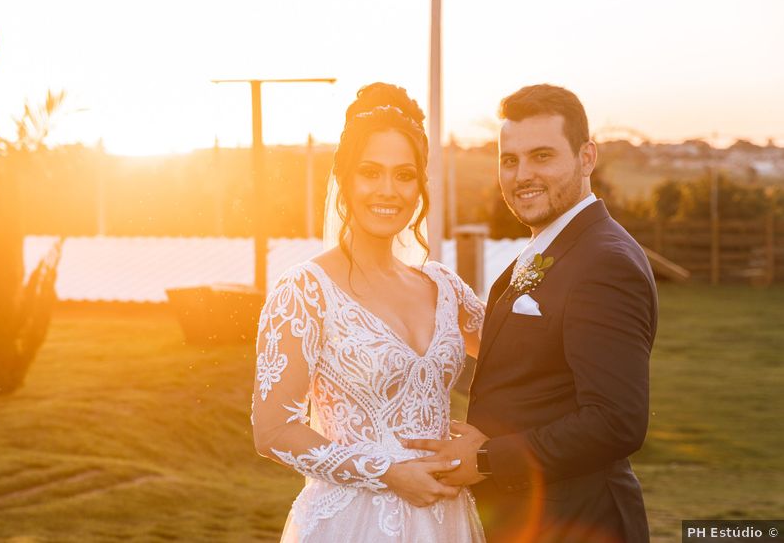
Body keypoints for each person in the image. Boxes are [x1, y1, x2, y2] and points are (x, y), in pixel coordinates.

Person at [406, 84, 658, 542]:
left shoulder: (605, 262)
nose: (522, 175)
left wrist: (485, 460)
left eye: (542, 156)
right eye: (510, 160)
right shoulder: (551, 246)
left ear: (586, 158)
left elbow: (616, 421)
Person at [251, 83, 487, 542]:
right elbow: (273, 430)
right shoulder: (305, 291)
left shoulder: (445, 288)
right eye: (370, 172)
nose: (388, 190)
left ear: (421, 183)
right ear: (343, 178)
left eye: (404, 174)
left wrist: (488, 443)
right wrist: (388, 472)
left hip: (445, 520)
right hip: (351, 523)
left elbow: (524, 366)